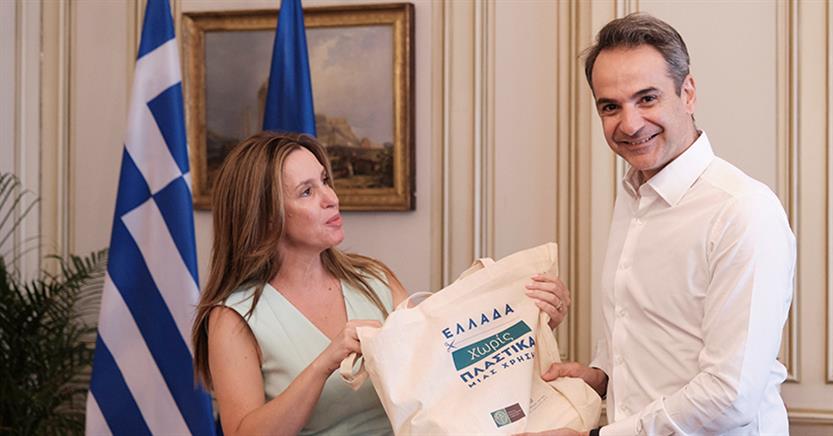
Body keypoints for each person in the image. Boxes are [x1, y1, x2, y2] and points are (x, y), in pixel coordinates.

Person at [191, 132, 571, 435]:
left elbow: (444, 372)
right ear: (266, 214)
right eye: (307, 191)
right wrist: (324, 364)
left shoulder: (373, 280)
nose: (331, 198)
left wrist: (527, 324)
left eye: (325, 181)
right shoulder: (234, 317)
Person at [529, 13, 796, 436]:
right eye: (611, 107)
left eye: (647, 99)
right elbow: (652, 339)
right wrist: (600, 378)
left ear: (687, 93)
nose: (630, 124)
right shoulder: (633, 196)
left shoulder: (743, 210)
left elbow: (730, 396)